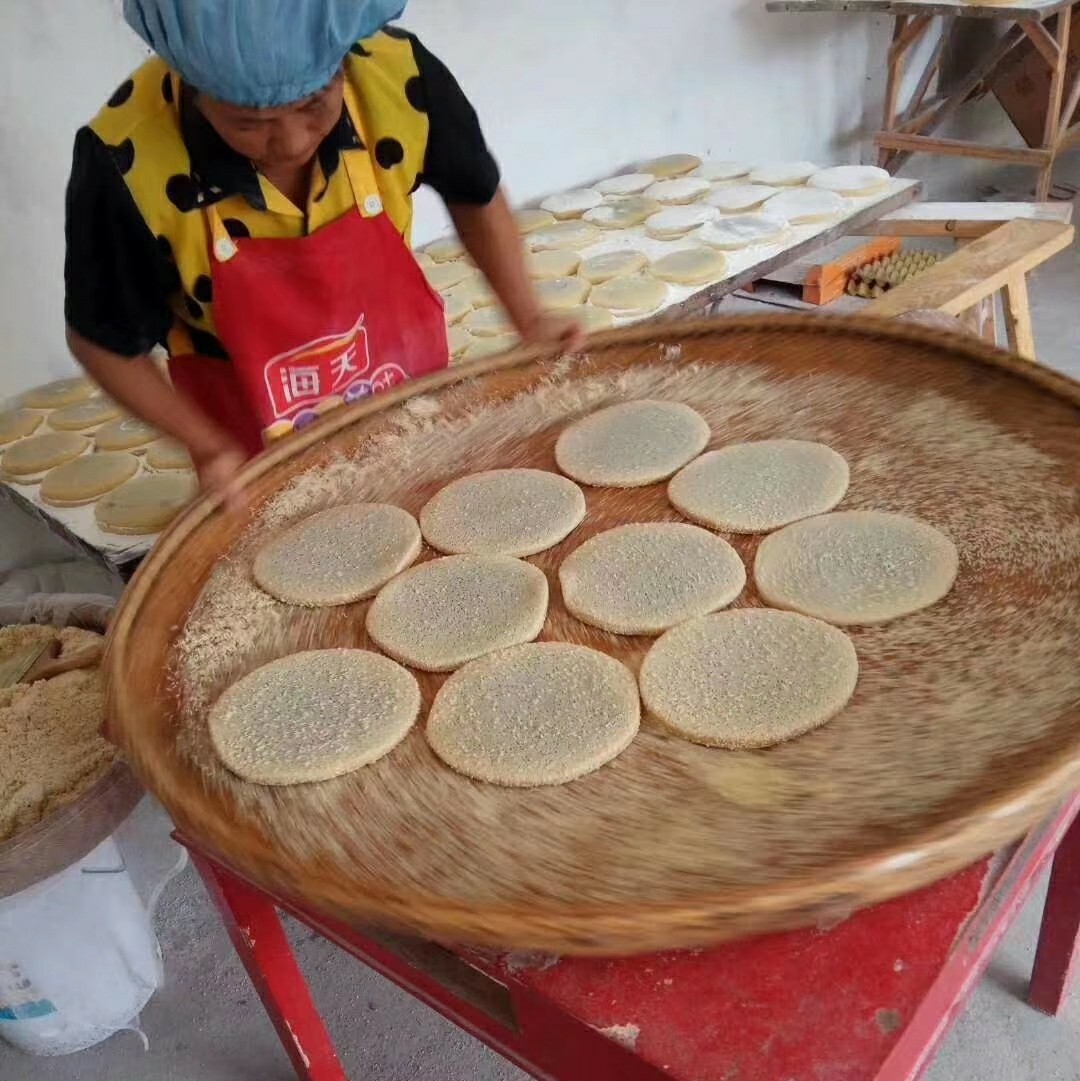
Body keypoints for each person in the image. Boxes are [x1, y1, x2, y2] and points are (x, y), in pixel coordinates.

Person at [64, 0, 584, 506]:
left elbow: (475, 193)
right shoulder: (126, 161)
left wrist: (529, 316)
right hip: (253, 440)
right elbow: (105, 341)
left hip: (405, 392)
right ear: (195, 90)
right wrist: (206, 444)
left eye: (315, 104)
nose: (291, 143)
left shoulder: (396, 79)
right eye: (249, 123)